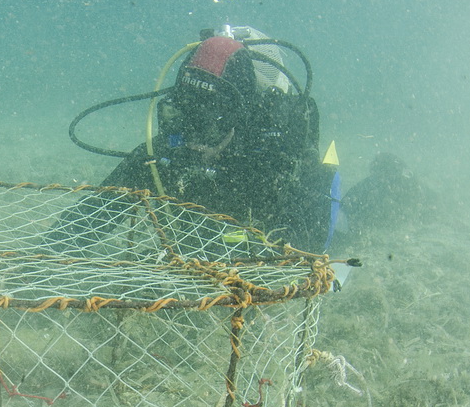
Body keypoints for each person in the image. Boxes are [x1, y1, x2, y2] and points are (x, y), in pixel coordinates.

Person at [55, 27, 338, 254]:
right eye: (180, 118)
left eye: (209, 127)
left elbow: (306, 250)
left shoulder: (275, 163)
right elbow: (86, 222)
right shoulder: (164, 152)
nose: (192, 141)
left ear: (239, 122)